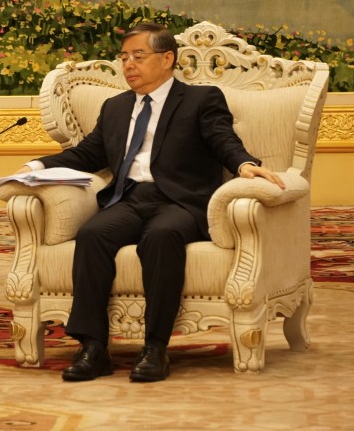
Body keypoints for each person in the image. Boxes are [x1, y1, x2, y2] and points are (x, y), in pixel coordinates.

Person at [20, 22, 284, 382]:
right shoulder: (115, 107)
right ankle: (93, 348)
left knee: (161, 237)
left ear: (167, 58)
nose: (128, 65)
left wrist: (244, 164)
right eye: (124, 57)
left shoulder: (200, 99)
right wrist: (35, 167)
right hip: (129, 198)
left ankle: (155, 348)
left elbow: (222, 138)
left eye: (138, 56)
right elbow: (87, 154)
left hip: (180, 201)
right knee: (93, 235)